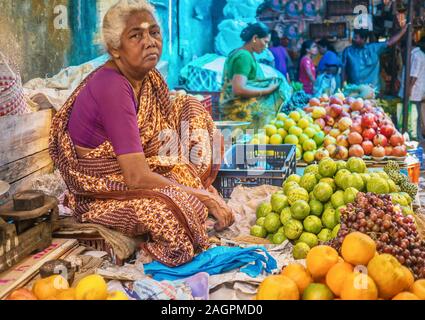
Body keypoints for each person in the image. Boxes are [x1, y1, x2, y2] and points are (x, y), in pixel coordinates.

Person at [49, 0, 234, 267]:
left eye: (154, 32)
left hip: (138, 166)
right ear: (115, 48)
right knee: (176, 212)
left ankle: (197, 190)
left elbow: (163, 125)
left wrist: (196, 189)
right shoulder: (112, 87)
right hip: (103, 187)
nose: (149, 41)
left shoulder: (146, 77)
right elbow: (135, 177)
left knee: (191, 108)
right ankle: (154, 232)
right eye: (136, 35)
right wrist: (201, 197)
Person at [219, 23, 291, 128]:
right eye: (265, 42)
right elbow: (238, 88)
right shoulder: (244, 57)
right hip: (239, 116)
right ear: (255, 38)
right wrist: (267, 90)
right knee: (243, 143)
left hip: (236, 114)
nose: (266, 47)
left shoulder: (239, 53)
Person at [342, 26, 408, 92]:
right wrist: (343, 85)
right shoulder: (348, 51)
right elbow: (343, 70)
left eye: (356, 37)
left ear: (363, 39)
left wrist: (403, 31)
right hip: (354, 89)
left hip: (373, 90)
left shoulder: (374, 48)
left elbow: (390, 42)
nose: (353, 39)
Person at [399, 38, 425, 142]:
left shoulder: (416, 56)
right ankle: (416, 136)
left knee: (414, 115)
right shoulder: (417, 54)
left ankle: (417, 137)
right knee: (414, 114)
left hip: (414, 90)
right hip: (414, 90)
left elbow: (414, 75)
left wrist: (408, 89)